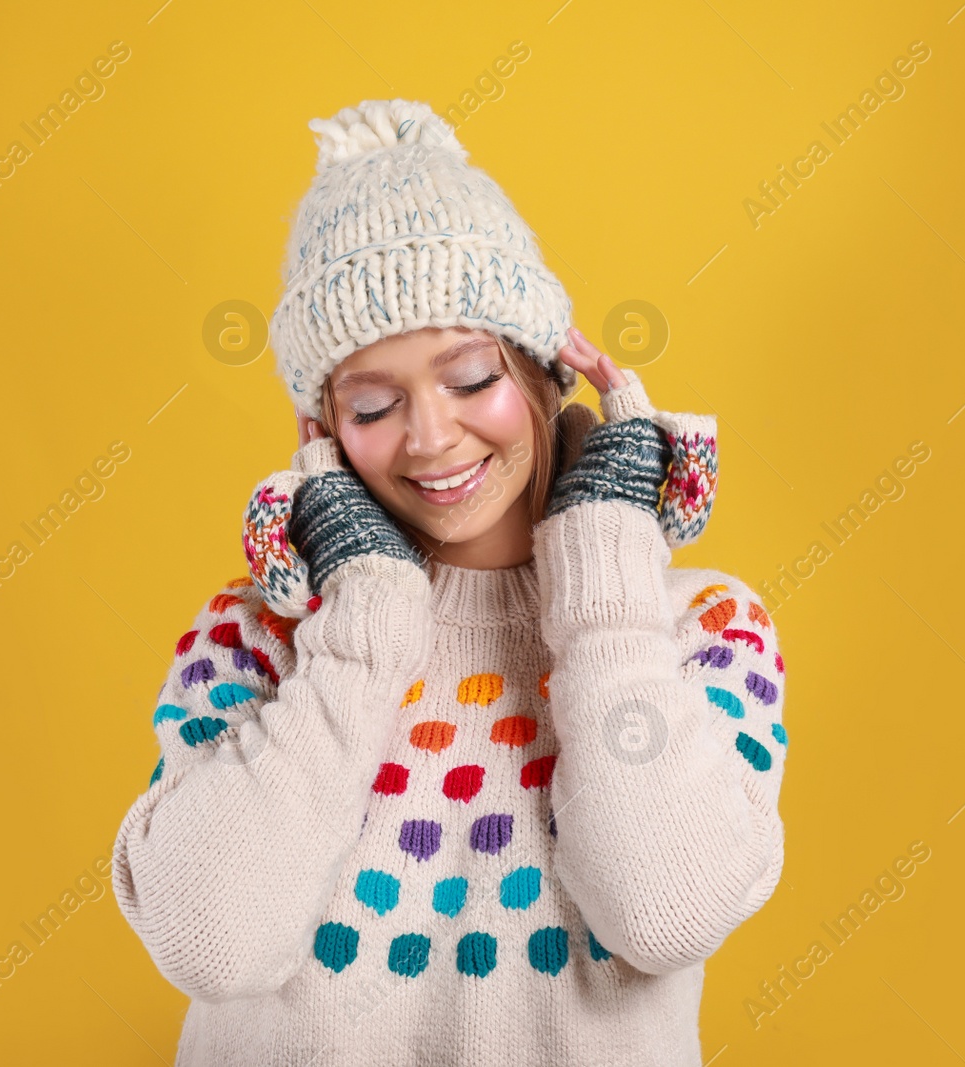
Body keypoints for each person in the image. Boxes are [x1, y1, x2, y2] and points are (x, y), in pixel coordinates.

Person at [111, 98, 787, 1067]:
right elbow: (214, 944)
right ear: (324, 432)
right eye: (375, 403)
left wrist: (601, 571)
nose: (430, 437)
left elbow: (664, 912)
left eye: (471, 379)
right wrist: (367, 621)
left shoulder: (702, 627)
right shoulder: (255, 633)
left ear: (551, 371)